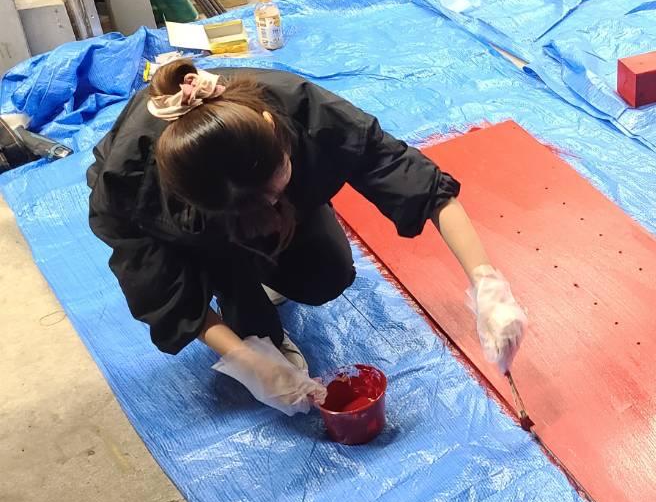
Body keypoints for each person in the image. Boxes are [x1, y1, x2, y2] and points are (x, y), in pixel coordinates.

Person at [87, 61, 526, 414]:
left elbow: (410, 176)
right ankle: (235, 285)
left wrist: (486, 283)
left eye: (274, 191)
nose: (268, 207)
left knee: (326, 273)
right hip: (200, 234)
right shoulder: (130, 186)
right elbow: (160, 290)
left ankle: (258, 268)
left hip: (237, 197)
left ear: (271, 127)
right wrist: (248, 360)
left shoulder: (302, 109)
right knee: (241, 300)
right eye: (253, 206)